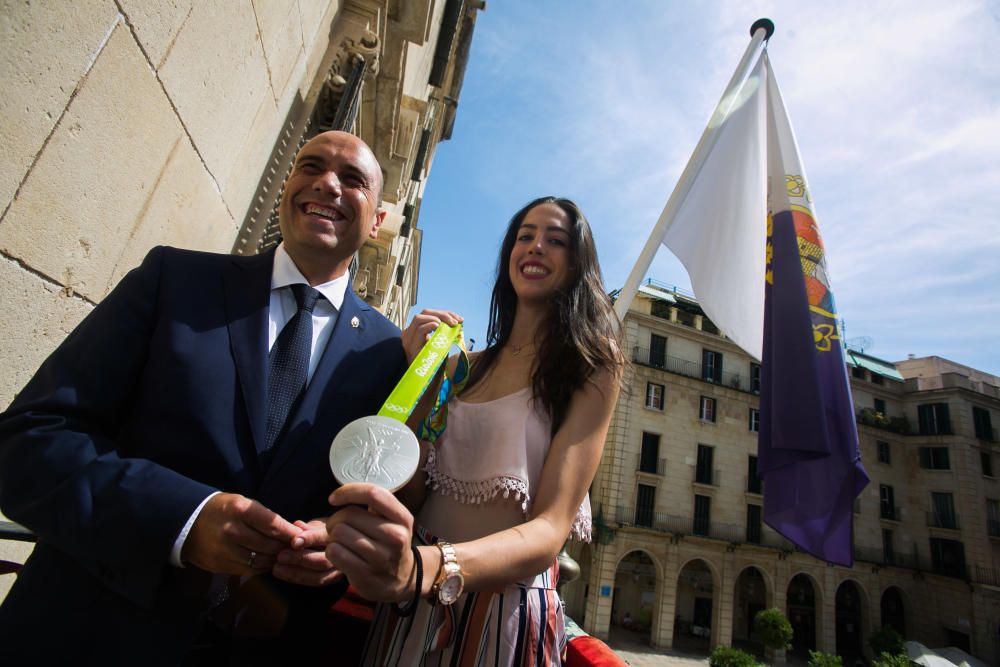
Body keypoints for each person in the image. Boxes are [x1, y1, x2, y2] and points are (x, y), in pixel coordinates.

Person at [0, 131, 424, 664]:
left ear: (378, 220)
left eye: (352, 179)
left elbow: (356, 499)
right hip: (79, 635)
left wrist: (333, 546)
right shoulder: (175, 280)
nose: (327, 184)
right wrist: (183, 519)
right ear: (286, 188)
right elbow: (27, 441)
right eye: (311, 166)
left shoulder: (386, 356)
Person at [326, 196, 623, 666]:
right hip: (407, 605)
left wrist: (423, 568)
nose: (536, 246)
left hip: (500, 616)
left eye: (556, 239)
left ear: (578, 261)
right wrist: (418, 379)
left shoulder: (593, 365)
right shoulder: (463, 367)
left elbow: (548, 531)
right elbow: (414, 494)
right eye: (525, 236)